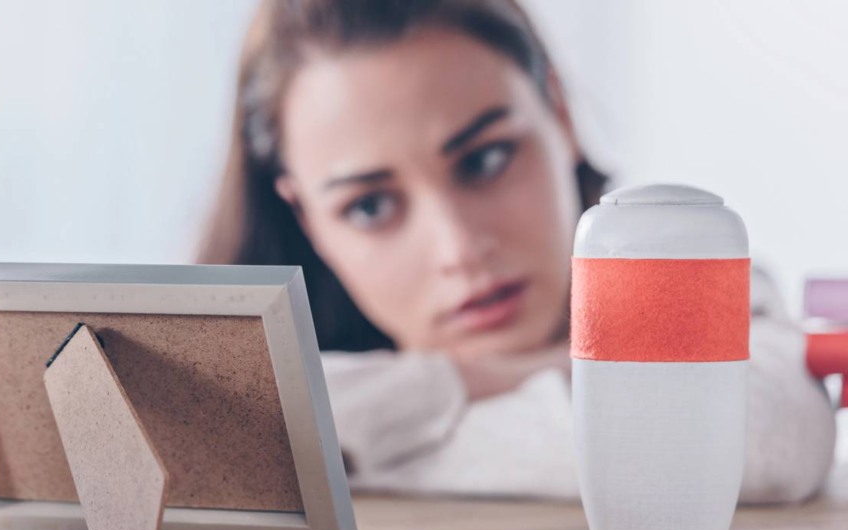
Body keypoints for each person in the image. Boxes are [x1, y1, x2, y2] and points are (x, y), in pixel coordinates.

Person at [199, 0, 836, 502]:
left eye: (486, 160)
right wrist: (502, 375)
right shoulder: (241, 361)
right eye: (369, 206)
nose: (459, 248)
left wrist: (343, 451)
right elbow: (206, 418)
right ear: (305, 218)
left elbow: (756, 442)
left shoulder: (699, 283)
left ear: (560, 115)